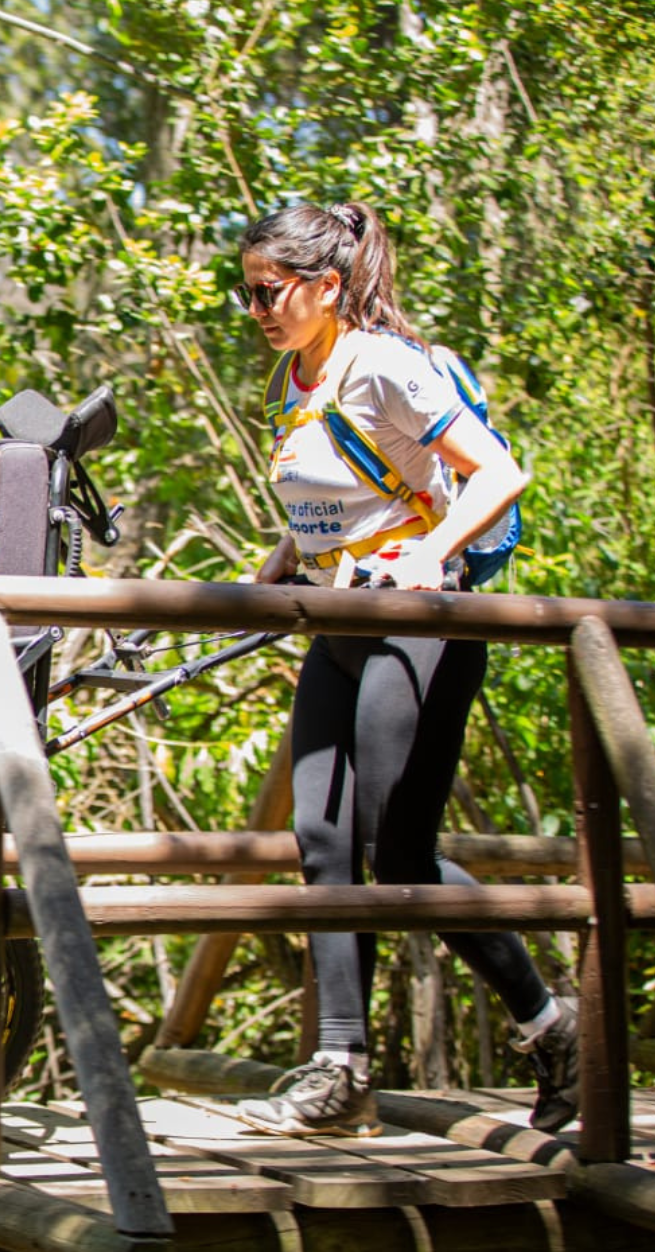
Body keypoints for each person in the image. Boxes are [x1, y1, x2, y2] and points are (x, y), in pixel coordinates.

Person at [230, 201, 577, 1138]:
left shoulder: (382, 363)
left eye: (269, 291)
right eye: (246, 291)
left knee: (397, 850)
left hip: (422, 624)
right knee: (321, 837)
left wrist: (432, 558)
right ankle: (340, 1068)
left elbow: (497, 473)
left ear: (327, 286)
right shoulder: (290, 380)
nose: (255, 308)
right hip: (339, 620)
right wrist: (269, 575)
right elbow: (336, 501)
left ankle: (550, 1026)